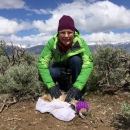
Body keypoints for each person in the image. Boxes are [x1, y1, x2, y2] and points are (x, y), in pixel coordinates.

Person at [38, 15, 93, 102]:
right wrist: (51, 85)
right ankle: (63, 86)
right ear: (58, 32)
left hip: (74, 67)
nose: (66, 36)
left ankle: (77, 91)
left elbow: (88, 64)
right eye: (62, 32)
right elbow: (42, 63)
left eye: (69, 32)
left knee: (76, 60)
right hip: (61, 68)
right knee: (52, 70)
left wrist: (77, 86)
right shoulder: (52, 43)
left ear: (74, 32)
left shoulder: (80, 43)